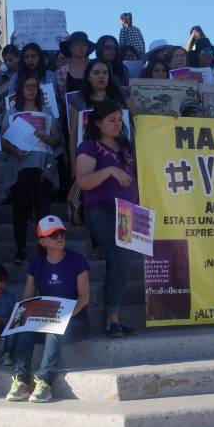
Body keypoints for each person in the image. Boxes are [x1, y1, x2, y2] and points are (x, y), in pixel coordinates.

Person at [5, 215, 90, 403]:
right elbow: (27, 297)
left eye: (61, 233)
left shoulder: (77, 261)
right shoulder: (36, 264)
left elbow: (84, 298)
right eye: (53, 235)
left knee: (54, 331)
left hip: (75, 320)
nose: (60, 238)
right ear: (43, 242)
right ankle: (20, 381)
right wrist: (22, 318)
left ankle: (45, 382)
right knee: (26, 330)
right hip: (45, 317)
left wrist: (63, 318)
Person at [75, 101, 138, 338]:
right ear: (98, 123)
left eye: (119, 120)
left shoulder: (126, 146)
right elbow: (82, 181)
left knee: (123, 262)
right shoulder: (89, 146)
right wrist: (110, 171)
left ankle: (114, 316)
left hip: (128, 212)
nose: (117, 124)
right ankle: (111, 317)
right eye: (111, 120)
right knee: (120, 258)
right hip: (102, 210)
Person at [3, 75, 62, 265]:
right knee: (20, 209)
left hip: (42, 166)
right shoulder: (11, 112)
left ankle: (44, 249)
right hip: (19, 166)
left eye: (34, 86)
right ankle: (20, 249)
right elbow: (2, 139)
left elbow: (57, 140)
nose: (31, 89)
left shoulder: (47, 111)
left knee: (43, 208)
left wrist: (46, 137)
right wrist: (14, 150)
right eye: (27, 86)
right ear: (20, 90)